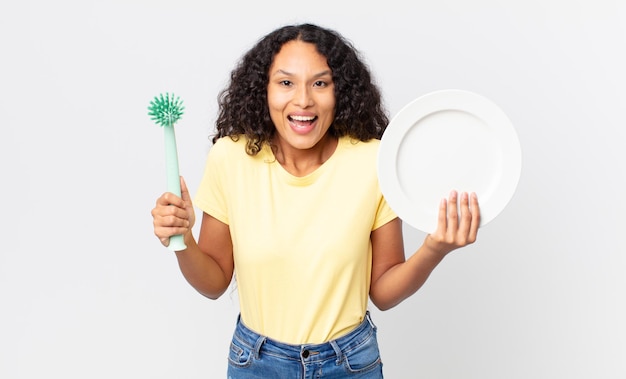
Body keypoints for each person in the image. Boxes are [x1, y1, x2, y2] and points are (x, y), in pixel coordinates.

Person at [151, 23, 480, 378]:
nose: (303, 100)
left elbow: (384, 292)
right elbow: (214, 281)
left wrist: (435, 248)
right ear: (264, 89)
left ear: (340, 91)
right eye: (286, 82)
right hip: (256, 364)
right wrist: (181, 240)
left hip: (349, 363)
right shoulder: (230, 158)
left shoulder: (373, 162)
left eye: (320, 83)